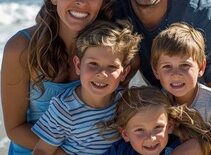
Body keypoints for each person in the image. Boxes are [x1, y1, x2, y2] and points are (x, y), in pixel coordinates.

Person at [1, 0, 115, 154]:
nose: (83, 0)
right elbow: (14, 129)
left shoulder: (109, 52)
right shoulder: (20, 48)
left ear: (102, 1)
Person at [31, 19, 142, 154]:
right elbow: (41, 151)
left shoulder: (124, 101)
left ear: (124, 73)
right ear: (78, 65)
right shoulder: (64, 109)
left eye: (111, 67)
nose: (101, 74)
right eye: (93, 64)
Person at [151, 22, 211, 154]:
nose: (176, 74)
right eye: (167, 66)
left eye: (184, 65)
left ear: (201, 67)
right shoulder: (161, 100)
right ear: (156, 71)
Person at [104, 85, 211, 155]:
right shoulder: (120, 151)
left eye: (157, 127)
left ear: (169, 126)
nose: (151, 138)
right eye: (140, 130)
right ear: (125, 134)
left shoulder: (176, 147)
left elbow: (199, 145)